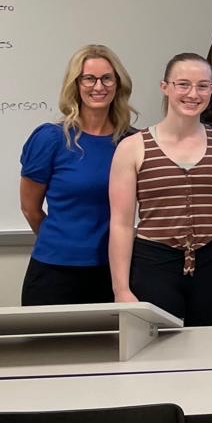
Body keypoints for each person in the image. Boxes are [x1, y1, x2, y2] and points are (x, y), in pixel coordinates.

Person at [108, 52, 212, 327]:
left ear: (211, 90)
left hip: (211, 264)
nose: (193, 94)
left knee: (207, 351)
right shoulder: (133, 147)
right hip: (153, 263)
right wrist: (120, 288)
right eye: (183, 84)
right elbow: (121, 224)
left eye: (202, 86)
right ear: (165, 87)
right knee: (158, 354)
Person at [18, 44, 135, 305]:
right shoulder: (51, 139)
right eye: (89, 79)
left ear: (118, 84)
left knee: (110, 347)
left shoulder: (131, 143)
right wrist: (65, 242)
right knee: (52, 347)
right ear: (76, 84)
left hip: (114, 272)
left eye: (107, 78)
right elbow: (30, 209)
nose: (98, 86)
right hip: (54, 272)